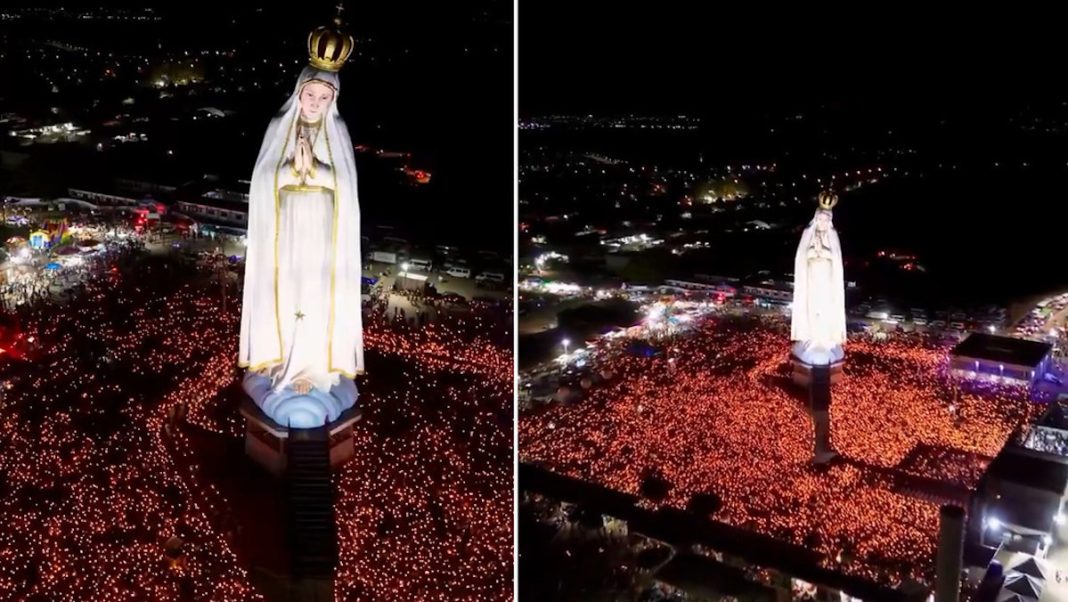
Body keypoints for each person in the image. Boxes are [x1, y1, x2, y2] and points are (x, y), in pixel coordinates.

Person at [238, 14, 363, 397]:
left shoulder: (336, 131)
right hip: (285, 227)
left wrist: (319, 170)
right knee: (285, 289)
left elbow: (345, 185)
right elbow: (262, 178)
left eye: (324, 98)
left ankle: (313, 367)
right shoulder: (281, 125)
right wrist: (291, 170)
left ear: (333, 99)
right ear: (299, 91)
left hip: (322, 229)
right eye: (310, 95)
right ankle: (281, 359)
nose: (315, 103)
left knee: (315, 294)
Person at [791, 191, 847, 363]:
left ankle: (825, 338)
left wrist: (823, 252)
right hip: (811, 278)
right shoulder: (809, 234)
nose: (822, 223)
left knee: (825, 308)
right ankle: (812, 338)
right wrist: (812, 252)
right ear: (816, 219)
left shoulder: (832, 237)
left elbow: (836, 258)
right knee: (811, 306)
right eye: (820, 219)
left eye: (826, 220)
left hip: (827, 279)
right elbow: (801, 255)